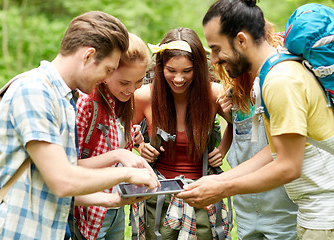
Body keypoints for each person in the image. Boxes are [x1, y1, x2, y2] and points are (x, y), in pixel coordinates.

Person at [0, 11, 159, 240]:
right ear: (88, 56)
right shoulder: (34, 91)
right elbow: (63, 181)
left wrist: (112, 200)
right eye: (107, 69)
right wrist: (125, 173)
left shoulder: (64, 99)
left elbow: (50, 186)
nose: (104, 79)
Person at [177, 0, 334, 239]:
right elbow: (276, 149)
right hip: (314, 214)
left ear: (241, 40)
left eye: (217, 48)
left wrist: (222, 189)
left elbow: (288, 167)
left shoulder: (280, 81)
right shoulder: (273, 73)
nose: (215, 59)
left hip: (324, 217)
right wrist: (211, 182)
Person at [133, 27, 232, 240]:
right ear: (160, 67)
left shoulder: (213, 93)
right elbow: (121, 132)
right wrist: (140, 146)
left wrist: (223, 147)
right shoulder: (144, 96)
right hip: (158, 197)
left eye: (187, 71)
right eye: (171, 70)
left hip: (203, 193)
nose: (179, 79)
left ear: (198, 68)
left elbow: (240, 122)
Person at [211, 21, 298, 239]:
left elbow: (279, 150)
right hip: (246, 208)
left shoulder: (276, 84)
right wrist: (230, 119)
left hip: (282, 210)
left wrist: (222, 185)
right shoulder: (234, 92)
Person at [73, 32, 151, 240]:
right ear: (107, 72)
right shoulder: (87, 104)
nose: (132, 89)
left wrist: (132, 143)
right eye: (124, 82)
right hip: (90, 209)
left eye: (139, 81)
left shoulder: (123, 101)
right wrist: (117, 154)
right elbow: (70, 166)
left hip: (117, 203)